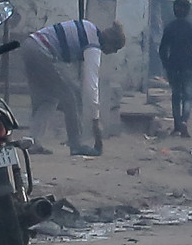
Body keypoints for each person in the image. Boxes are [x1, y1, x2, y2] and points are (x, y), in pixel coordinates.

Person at [22, 17, 126, 156]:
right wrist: (96, 120)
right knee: (70, 97)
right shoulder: (93, 45)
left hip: (30, 45)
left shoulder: (90, 27)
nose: (113, 52)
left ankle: (33, 141)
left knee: (47, 99)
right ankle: (76, 145)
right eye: (115, 49)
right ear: (109, 43)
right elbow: (91, 86)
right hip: (42, 51)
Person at [158, 0, 192, 138]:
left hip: (173, 65)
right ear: (188, 11)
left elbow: (163, 49)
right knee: (188, 96)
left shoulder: (170, 28)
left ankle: (177, 126)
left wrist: (166, 64)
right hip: (189, 65)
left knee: (176, 96)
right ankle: (184, 120)